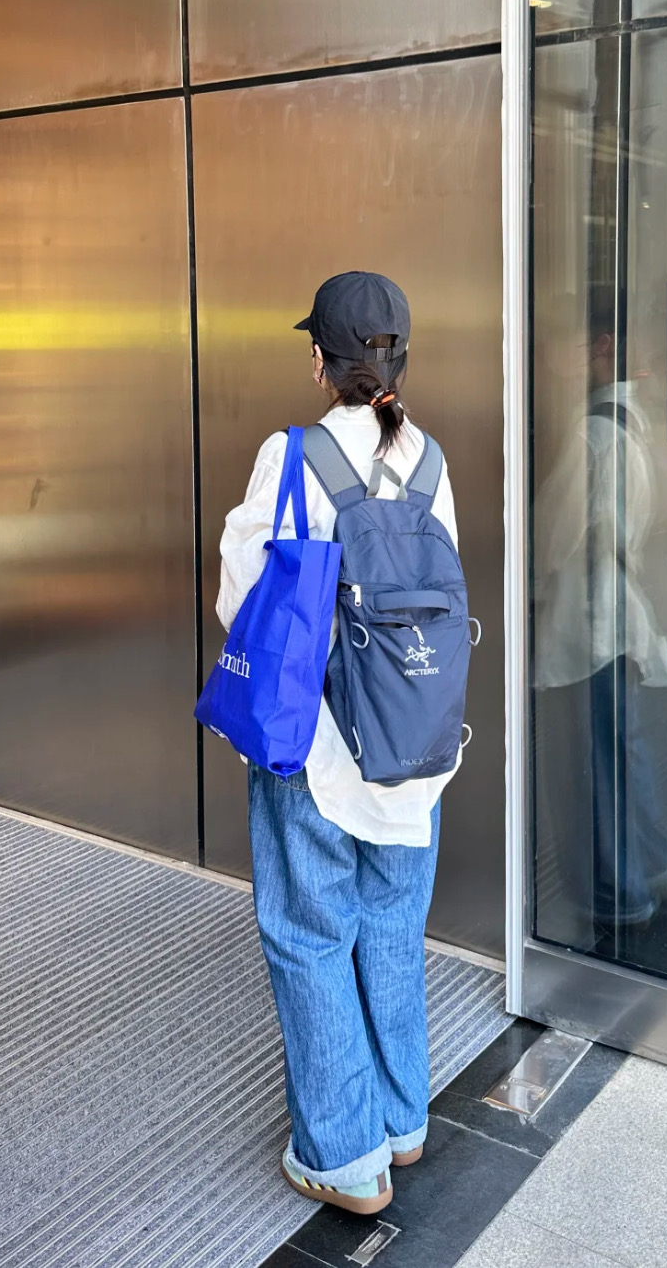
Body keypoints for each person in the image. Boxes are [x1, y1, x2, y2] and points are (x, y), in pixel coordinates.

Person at [217, 272, 461, 1217]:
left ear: (320, 360)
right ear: (398, 359)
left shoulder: (292, 456)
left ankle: (345, 1155)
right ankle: (402, 1118)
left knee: (311, 935)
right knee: (393, 926)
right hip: (415, 746)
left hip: (316, 746)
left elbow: (241, 597)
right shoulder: (429, 459)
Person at [531, 297, 667, 949]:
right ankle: (663, 865)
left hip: (589, 622)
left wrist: (526, 585)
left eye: (566, 345)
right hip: (622, 615)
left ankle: (621, 897)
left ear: (600, 349)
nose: (554, 358)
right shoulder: (635, 419)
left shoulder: (592, 432)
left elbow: (553, 536)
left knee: (596, 768)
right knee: (626, 752)